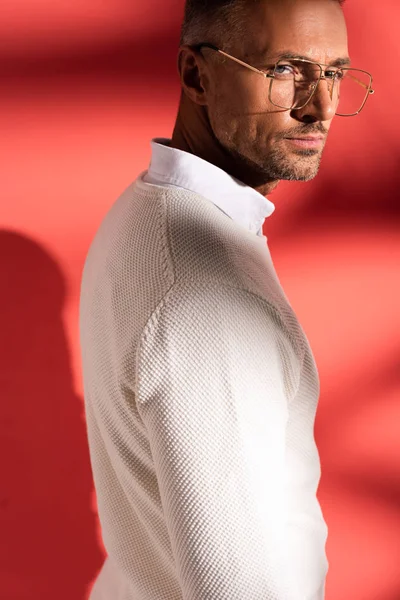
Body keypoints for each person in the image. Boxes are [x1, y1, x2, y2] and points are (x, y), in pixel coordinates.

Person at [79, 0, 374, 598]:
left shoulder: (148, 210)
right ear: (196, 75)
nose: (319, 106)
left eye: (335, 73)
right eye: (287, 69)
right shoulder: (205, 295)